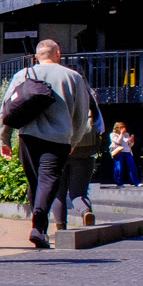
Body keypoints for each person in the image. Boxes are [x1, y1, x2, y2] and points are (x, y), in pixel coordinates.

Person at [0, 39, 95, 250]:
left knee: (35, 182)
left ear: (36, 57)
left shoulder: (23, 74)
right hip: (58, 139)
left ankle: (39, 227)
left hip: (28, 137)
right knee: (49, 180)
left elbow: (7, 109)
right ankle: (39, 226)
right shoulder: (73, 77)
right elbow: (81, 115)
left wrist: (4, 138)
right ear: (58, 53)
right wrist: (73, 140)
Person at [59, 89, 104, 228]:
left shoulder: (58, 95)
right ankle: (85, 211)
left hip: (60, 152)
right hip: (85, 153)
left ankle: (61, 227)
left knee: (59, 194)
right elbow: (100, 128)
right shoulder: (88, 98)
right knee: (79, 193)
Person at [108, 121, 139, 187]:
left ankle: (135, 182)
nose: (123, 129)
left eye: (124, 127)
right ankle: (119, 183)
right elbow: (118, 142)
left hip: (127, 151)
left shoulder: (126, 134)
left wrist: (132, 141)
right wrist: (121, 134)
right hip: (119, 151)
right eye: (121, 127)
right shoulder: (113, 134)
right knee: (119, 167)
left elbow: (129, 145)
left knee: (132, 166)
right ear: (117, 128)